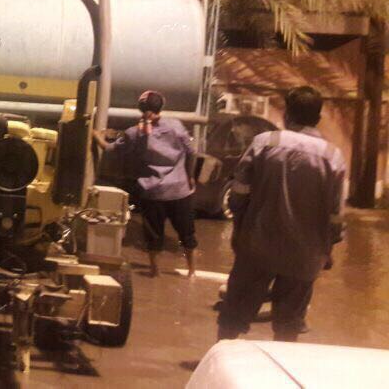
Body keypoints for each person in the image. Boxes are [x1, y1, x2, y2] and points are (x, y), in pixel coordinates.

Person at [217, 86, 346, 342]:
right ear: (318, 118)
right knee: (288, 326)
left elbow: (238, 195)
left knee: (233, 317)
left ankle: (218, 361)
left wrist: (240, 230)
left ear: (287, 114)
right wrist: (327, 250)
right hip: (305, 256)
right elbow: (335, 216)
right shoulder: (333, 157)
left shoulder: (265, 142)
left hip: (257, 247)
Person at [94, 90, 197, 277]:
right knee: (187, 233)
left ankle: (154, 271)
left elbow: (110, 149)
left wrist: (96, 135)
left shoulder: (135, 133)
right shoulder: (175, 126)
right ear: (161, 106)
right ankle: (191, 271)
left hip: (152, 192)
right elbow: (191, 152)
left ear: (140, 108)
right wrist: (190, 176)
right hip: (179, 190)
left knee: (154, 234)